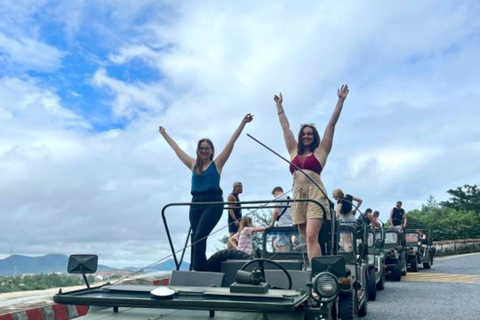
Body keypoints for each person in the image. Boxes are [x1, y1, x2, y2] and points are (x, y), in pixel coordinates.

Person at [159, 114, 253, 271]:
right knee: (194, 237)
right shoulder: (193, 164)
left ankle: (197, 270)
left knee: (200, 235)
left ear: (211, 151)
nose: (204, 150)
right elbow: (177, 149)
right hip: (196, 203)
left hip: (213, 202)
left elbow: (231, 142)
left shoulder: (217, 164)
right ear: (198, 150)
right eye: (201, 148)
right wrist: (164, 133)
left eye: (207, 148)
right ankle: (197, 269)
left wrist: (243, 122)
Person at [274, 85, 349, 262]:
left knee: (310, 236)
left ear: (314, 136)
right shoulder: (293, 151)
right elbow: (286, 129)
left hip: (315, 194)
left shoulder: (321, 151)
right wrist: (279, 107)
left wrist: (340, 100)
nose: (306, 136)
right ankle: (316, 268)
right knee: (307, 239)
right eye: (304, 134)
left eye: (310, 134)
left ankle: (318, 274)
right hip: (298, 196)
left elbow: (331, 125)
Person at [269, 186, 293, 252]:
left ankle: (284, 260)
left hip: (283, 224)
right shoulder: (290, 198)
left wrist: (272, 223)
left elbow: (276, 211)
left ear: (275, 193)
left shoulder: (278, 197)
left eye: (274, 195)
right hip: (291, 223)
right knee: (276, 243)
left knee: (282, 245)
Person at [227, 182, 243, 249]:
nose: (241, 189)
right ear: (235, 188)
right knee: (232, 235)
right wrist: (235, 220)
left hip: (239, 219)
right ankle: (229, 251)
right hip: (233, 220)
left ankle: (235, 250)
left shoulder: (237, 196)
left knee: (238, 235)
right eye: (239, 187)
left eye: (241, 187)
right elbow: (230, 209)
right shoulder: (231, 196)